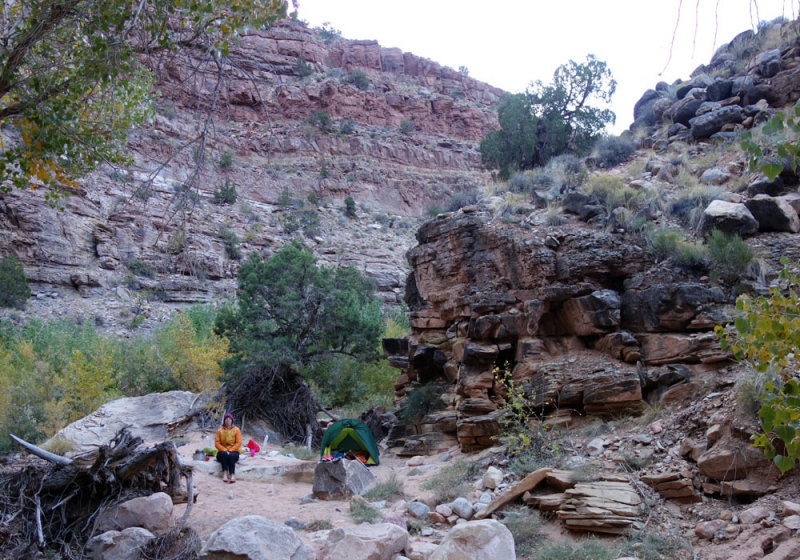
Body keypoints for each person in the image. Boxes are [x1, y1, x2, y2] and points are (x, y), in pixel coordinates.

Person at [214, 412, 242, 483]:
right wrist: (224, 450)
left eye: (229, 419)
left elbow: (238, 443)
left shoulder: (236, 430)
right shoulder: (220, 430)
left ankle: (232, 475)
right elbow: (217, 443)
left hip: (234, 451)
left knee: (231, 456)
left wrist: (231, 450)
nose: (228, 421)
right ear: (224, 421)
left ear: (232, 420)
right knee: (224, 455)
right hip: (222, 451)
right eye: (226, 419)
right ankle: (225, 474)